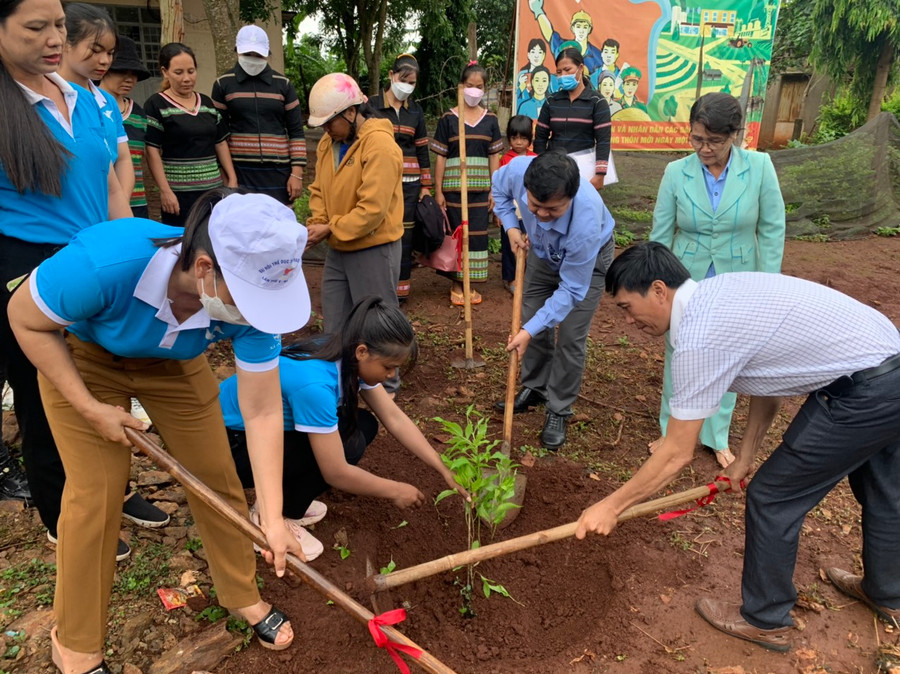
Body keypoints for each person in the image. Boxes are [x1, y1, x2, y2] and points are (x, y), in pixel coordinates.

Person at [9, 191, 310, 672]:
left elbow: (262, 412)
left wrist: (272, 517)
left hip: (176, 364)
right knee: (95, 495)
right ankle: (76, 643)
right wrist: (89, 408)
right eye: (252, 298)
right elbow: (23, 318)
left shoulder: (254, 314)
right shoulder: (106, 262)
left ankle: (240, 593)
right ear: (206, 268)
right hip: (87, 360)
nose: (259, 313)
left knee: (216, 476)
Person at [576, 241, 900, 652]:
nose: (627, 320)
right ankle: (887, 592)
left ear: (659, 290)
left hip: (862, 390)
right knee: (882, 486)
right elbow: (772, 378)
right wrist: (745, 454)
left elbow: (677, 452)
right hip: (890, 367)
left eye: (625, 307)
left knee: (772, 497)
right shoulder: (721, 293)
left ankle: (765, 620)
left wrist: (611, 506)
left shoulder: (698, 336)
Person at [0, 0, 132, 520]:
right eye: (37, 27)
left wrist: (131, 252)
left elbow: (108, 184)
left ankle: (115, 490)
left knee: (105, 372)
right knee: (44, 391)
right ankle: (60, 507)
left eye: (58, 24)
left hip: (94, 254)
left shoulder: (84, 98)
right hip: (28, 263)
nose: (55, 38)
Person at [223, 296, 465, 560]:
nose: (392, 376)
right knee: (344, 445)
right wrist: (395, 490)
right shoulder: (315, 386)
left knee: (363, 425)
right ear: (362, 351)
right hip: (230, 448)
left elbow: (393, 417)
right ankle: (273, 517)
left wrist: (442, 467)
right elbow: (336, 472)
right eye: (389, 367)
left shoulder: (344, 355)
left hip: (253, 433)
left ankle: (286, 499)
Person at [650, 93, 785, 468]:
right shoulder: (676, 173)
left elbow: (772, 229)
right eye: (697, 139)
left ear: (734, 135)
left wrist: (767, 285)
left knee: (729, 355)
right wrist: (658, 285)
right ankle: (671, 433)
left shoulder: (759, 167)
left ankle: (715, 435)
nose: (704, 148)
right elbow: (660, 234)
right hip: (685, 278)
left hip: (738, 279)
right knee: (680, 353)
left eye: (714, 141)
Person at [492, 152, 615, 450]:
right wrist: (510, 226)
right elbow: (498, 188)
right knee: (531, 316)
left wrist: (529, 331)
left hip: (587, 262)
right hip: (542, 253)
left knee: (571, 336)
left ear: (571, 196)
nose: (542, 215)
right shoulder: (519, 171)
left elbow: (572, 291)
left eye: (553, 210)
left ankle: (558, 408)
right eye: (534, 206)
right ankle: (535, 386)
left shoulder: (585, 223)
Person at [304, 72, 404, 392]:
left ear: (350, 112)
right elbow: (318, 188)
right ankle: (343, 380)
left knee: (376, 321)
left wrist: (329, 228)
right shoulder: (327, 142)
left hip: (373, 245)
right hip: (338, 245)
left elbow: (372, 210)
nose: (325, 129)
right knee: (335, 319)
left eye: (329, 121)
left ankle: (386, 385)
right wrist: (317, 221)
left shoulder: (380, 145)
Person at [431, 61, 503, 306]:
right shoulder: (448, 119)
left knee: (476, 235)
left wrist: (495, 188)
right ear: (461, 87)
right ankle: (455, 281)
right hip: (453, 189)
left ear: (485, 88)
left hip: (480, 190)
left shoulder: (490, 120)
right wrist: (438, 190)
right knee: (456, 234)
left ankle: (471, 282)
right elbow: (440, 156)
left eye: (479, 86)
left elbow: (494, 156)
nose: (474, 90)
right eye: (470, 85)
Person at [211, 25, 307, 206]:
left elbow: (296, 131)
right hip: (240, 172)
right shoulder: (223, 84)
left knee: (279, 225)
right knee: (244, 226)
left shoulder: (283, 85)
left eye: (258, 55)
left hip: (278, 173)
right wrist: (227, 175)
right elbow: (219, 134)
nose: (253, 59)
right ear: (237, 52)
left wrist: (296, 173)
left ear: (267, 54)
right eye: (248, 54)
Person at [145, 43, 237, 227]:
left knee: (211, 242)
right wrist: (165, 191)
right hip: (178, 197)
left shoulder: (206, 103)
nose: (186, 78)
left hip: (212, 193)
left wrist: (232, 179)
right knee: (181, 245)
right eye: (179, 72)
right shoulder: (156, 105)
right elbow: (152, 151)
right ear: (165, 72)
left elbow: (220, 143)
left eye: (191, 71)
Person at [368, 53, 433, 302]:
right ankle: (378, 291)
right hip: (380, 183)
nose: (407, 86)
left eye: (412, 82)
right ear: (391, 76)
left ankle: (400, 292)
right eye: (403, 79)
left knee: (405, 236)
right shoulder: (372, 106)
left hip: (410, 186)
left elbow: (422, 150)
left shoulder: (415, 112)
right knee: (379, 230)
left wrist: (426, 186)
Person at [58, 3, 134, 203]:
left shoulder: (107, 101)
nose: (105, 61)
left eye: (110, 53)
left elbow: (123, 159)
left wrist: (121, 203)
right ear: (66, 43)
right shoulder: (47, 97)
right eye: (96, 50)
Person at [534, 47, 611, 191]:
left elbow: (603, 141)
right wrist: (540, 165)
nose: (563, 75)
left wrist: (600, 174)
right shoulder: (551, 101)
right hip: (553, 171)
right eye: (559, 72)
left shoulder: (598, 102)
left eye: (567, 70)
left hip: (584, 173)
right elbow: (540, 137)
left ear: (580, 68)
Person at [101, 35, 152, 218]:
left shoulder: (138, 113)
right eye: (122, 71)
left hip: (138, 203)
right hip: (102, 204)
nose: (129, 79)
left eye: (134, 73)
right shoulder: (89, 107)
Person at [498, 115, 537, 295]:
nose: (519, 142)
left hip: (530, 209)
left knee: (530, 242)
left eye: (523, 138)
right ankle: (511, 278)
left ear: (530, 138)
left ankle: (528, 278)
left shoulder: (536, 158)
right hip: (512, 210)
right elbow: (500, 189)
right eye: (515, 138)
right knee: (510, 243)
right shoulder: (505, 159)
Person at [528, 0, 604, 77]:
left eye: (585, 27)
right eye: (578, 26)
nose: (581, 31)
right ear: (573, 28)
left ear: (589, 30)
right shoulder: (564, 48)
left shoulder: (597, 55)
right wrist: (538, 10)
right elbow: (550, 34)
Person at [516, 38, 550, 109]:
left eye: (540, 52)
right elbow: (516, 98)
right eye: (533, 52)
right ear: (528, 55)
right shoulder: (522, 75)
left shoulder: (549, 76)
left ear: (544, 55)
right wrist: (520, 87)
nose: (536, 56)